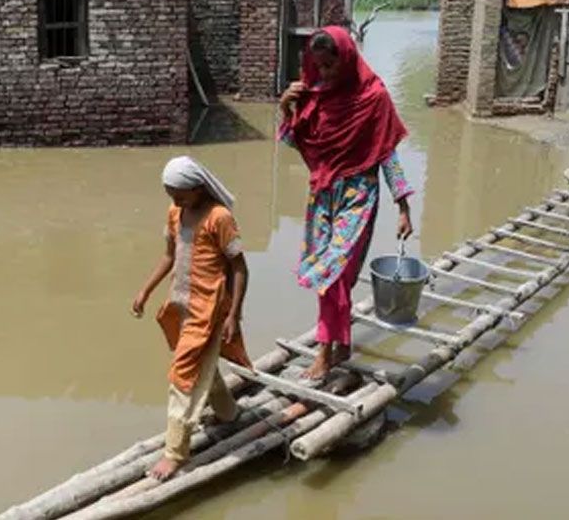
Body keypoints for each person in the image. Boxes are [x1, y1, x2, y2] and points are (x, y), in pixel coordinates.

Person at [277, 26, 415, 384]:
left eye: (330, 66)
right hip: (322, 195)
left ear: (348, 58)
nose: (324, 74)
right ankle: (342, 344)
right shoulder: (317, 94)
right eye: (318, 66)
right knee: (331, 275)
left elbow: (387, 154)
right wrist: (286, 106)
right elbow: (298, 143)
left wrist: (403, 206)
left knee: (333, 273)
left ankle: (324, 354)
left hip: (358, 195)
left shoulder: (374, 97)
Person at [131, 156, 252, 481]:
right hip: (182, 305)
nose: (175, 201)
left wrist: (234, 315)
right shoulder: (175, 213)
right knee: (201, 365)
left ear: (199, 189)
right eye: (171, 195)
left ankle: (175, 453)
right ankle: (228, 413)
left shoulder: (220, 218)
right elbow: (170, 255)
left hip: (209, 311)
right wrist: (145, 290)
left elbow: (240, 268)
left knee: (181, 377)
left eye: (181, 195)